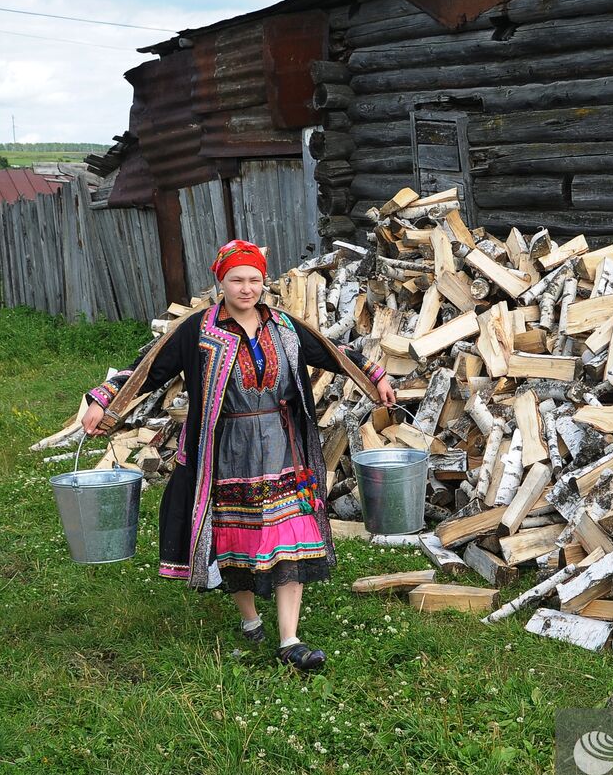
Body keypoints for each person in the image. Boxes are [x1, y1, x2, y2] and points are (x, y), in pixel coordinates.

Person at [80, 239, 396, 671]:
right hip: (225, 449)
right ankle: (249, 618)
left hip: (283, 446)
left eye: (254, 280)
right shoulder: (198, 331)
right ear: (221, 282)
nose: (247, 288)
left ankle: (290, 640)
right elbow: (149, 368)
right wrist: (104, 399)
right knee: (234, 540)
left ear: (264, 282)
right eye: (237, 280)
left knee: (290, 536)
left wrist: (374, 376)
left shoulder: (283, 326)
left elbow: (332, 352)